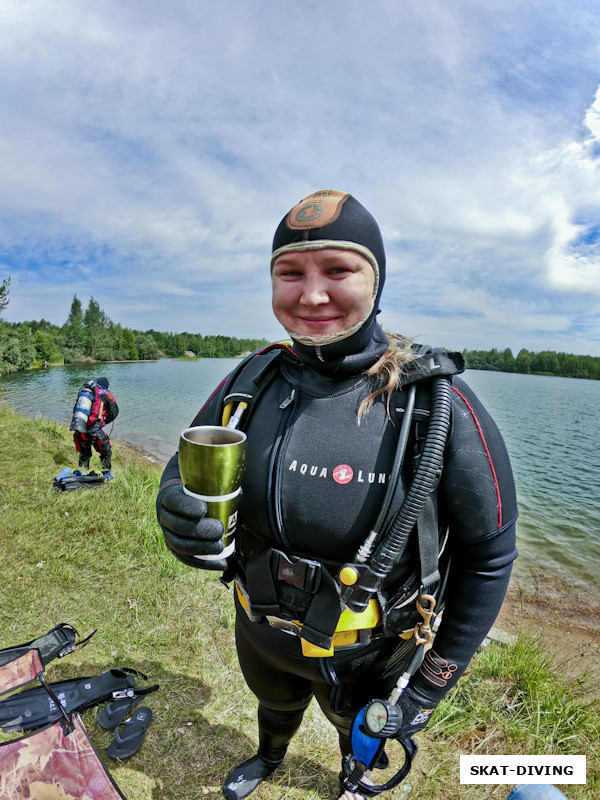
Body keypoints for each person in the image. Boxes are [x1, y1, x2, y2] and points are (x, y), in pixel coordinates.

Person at [156, 189, 518, 800]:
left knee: (358, 732)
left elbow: (488, 560)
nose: (312, 294)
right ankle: (269, 757)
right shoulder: (252, 379)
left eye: (339, 270)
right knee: (273, 705)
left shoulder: (435, 406)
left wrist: (430, 686)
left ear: (377, 281)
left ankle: (352, 780)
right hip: (260, 628)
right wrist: (174, 509)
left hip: (371, 653)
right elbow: (183, 468)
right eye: (289, 273)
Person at [71, 377, 119, 471]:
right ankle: (106, 474)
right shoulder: (106, 394)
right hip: (94, 430)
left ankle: (83, 473)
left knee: (85, 454)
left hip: (80, 427)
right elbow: (114, 413)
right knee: (106, 453)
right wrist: (103, 422)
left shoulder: (86, 392)